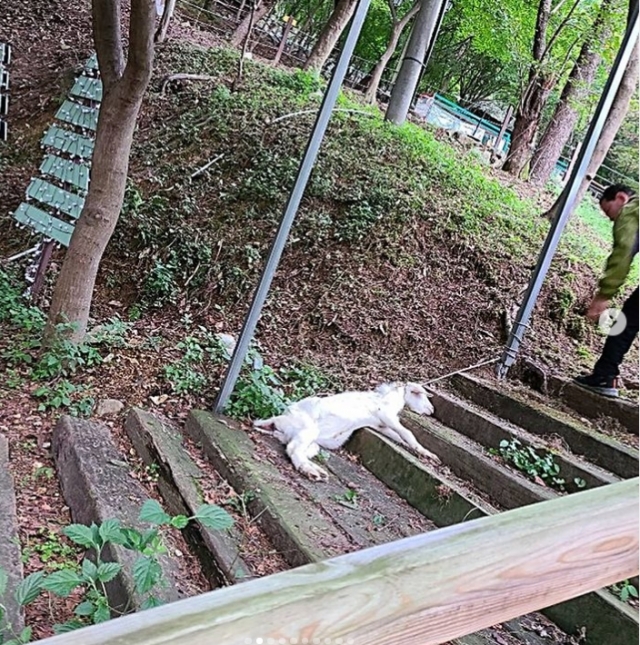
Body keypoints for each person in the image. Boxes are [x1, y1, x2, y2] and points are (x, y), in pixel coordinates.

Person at [574, 184, 639, 398]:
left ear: (620, 198)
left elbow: (623, 254)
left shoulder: (631, 210)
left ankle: (605, 375)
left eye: (609, 212)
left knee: (626, 323)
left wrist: (603, 296)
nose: (612, 220)